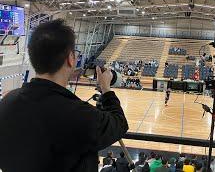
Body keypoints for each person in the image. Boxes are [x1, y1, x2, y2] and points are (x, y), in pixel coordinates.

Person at [0, 19, 128, 172]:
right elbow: (119, 124)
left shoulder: (6, 102)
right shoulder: (78, 114)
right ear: (70, 58)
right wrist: (106, 89)